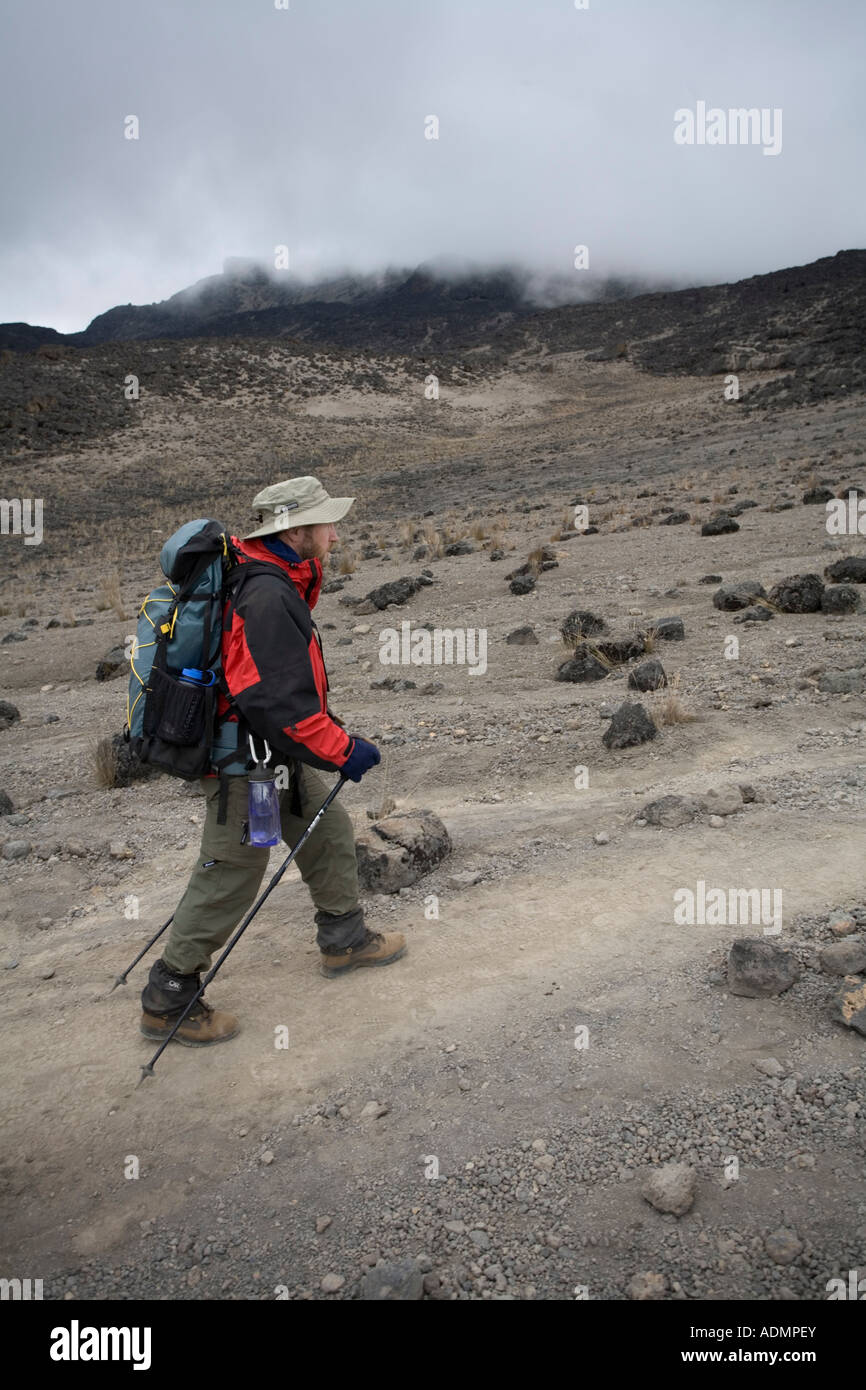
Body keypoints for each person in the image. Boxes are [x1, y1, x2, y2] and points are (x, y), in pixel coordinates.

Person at [139, 475, 406, 1047]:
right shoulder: (265, 594)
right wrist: (343, 750)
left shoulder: (277, 579)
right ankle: (169, 995)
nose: (335, 534)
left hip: (270, 750)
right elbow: (273, 698)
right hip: (246, 759)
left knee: (326, 830)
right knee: (234, 869)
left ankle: (344, 939)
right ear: (296, 529)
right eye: (326, 523)